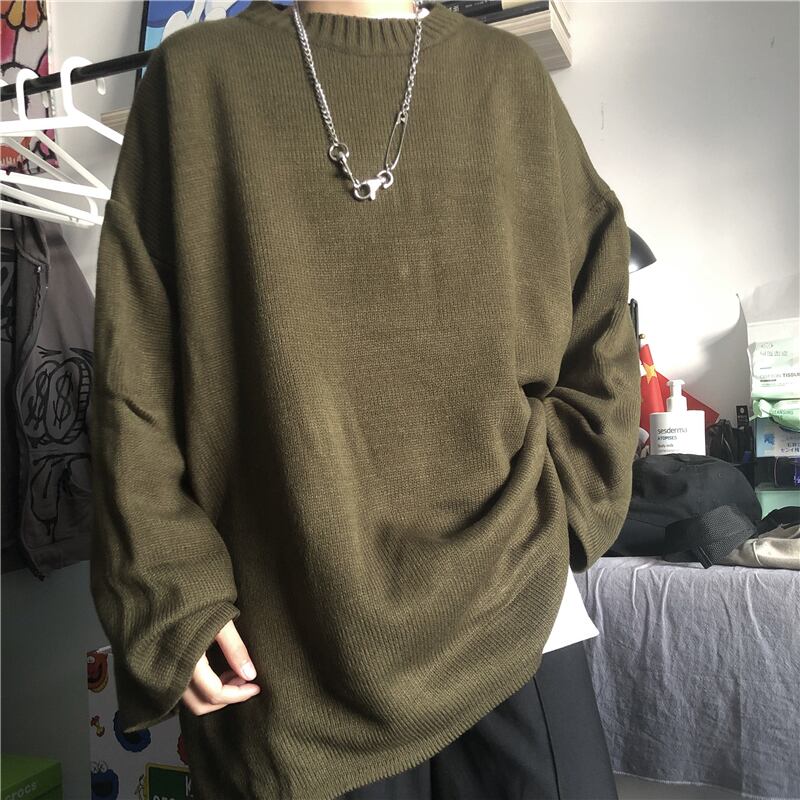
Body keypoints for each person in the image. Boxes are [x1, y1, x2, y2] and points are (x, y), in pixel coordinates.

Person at [90, 0, 640, 798]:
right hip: (285, 655)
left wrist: (577, 508)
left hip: (519, 611)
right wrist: (167, 593)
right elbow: (130, 381)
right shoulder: (194, 79)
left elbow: (602, 316)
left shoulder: (509, 80)